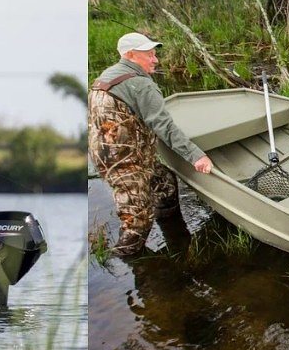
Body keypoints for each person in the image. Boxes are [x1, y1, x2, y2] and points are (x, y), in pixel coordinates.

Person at [89, 31, 213, 256]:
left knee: (164, 183)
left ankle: (175, 235)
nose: (155, 59)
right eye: (149, 55)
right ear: (131, 55)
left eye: (155, 54)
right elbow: (164, 126)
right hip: (123, 162)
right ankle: (131, 263)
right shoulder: (140, 84)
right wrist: (196, 155)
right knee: (137, 219)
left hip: (108, 154)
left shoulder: (107, 77)